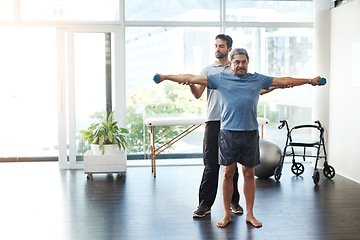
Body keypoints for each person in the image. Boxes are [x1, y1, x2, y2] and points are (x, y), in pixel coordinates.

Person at [154, 47, 324, 228]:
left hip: (250, 133)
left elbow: (282, 80)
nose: (240, 65)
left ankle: (250, 214)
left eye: (244, 62)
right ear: (231, 63)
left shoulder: (257, 79)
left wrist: (309, 81)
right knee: (228, 173)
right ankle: (226, 214)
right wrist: (165, 77)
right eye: (237, 62)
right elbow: (190, 78)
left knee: (249, 174)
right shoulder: (220, 79)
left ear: (248, 63)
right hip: (228, 133)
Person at [188, 34, 273, 218]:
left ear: (229, 49)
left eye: (221, 46)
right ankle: (204, 204)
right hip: (214, 121)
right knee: (211, 165)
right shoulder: (208, 70)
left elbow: (255, 90)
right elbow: (197, 94)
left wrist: (279, 86)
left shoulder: (237, 67)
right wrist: (190, 84)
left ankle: (234, 202)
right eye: (216, 46)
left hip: (235, 123)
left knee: (232, 168)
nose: (217, 49)